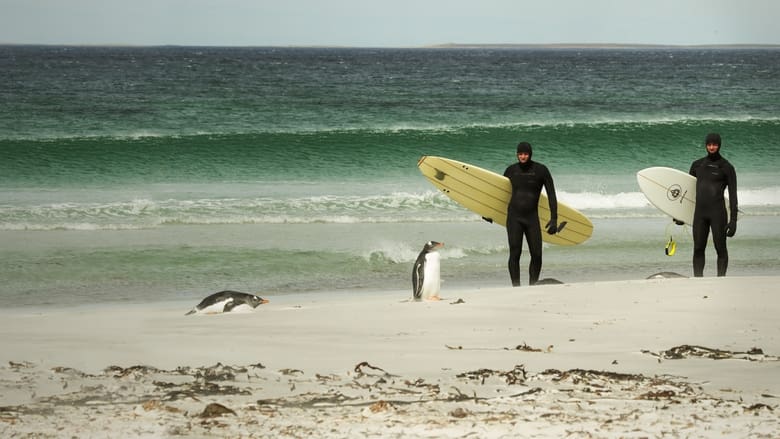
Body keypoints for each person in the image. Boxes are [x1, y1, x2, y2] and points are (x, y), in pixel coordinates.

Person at [503, 141, 558, 286]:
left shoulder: (541, 170)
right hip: (514, 217)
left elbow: (551, 194)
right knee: (515, 253)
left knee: (537, 254)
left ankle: (533, 285)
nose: (523, 156)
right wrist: (488, 212)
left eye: (525, 154)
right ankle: (516, 286)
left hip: (532, 217)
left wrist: (554, 219)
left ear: (530, 154)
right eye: (520, 154)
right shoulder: (510, 171)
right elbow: (500, 194)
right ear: (517, 154)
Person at [686, 133, 738, 277]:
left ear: (719, 145)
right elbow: (687, 192)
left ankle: (721, 280)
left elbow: (733, 196)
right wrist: (679, 215)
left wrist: (733, 220)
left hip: (718, 213)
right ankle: (698, 280)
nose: (712, 147)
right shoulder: (697, 165)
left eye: (714, 144)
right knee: (698, 248)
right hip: (700, 214)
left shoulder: (727, 167)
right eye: (709, 144)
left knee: (720, 248)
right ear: (705, 145)